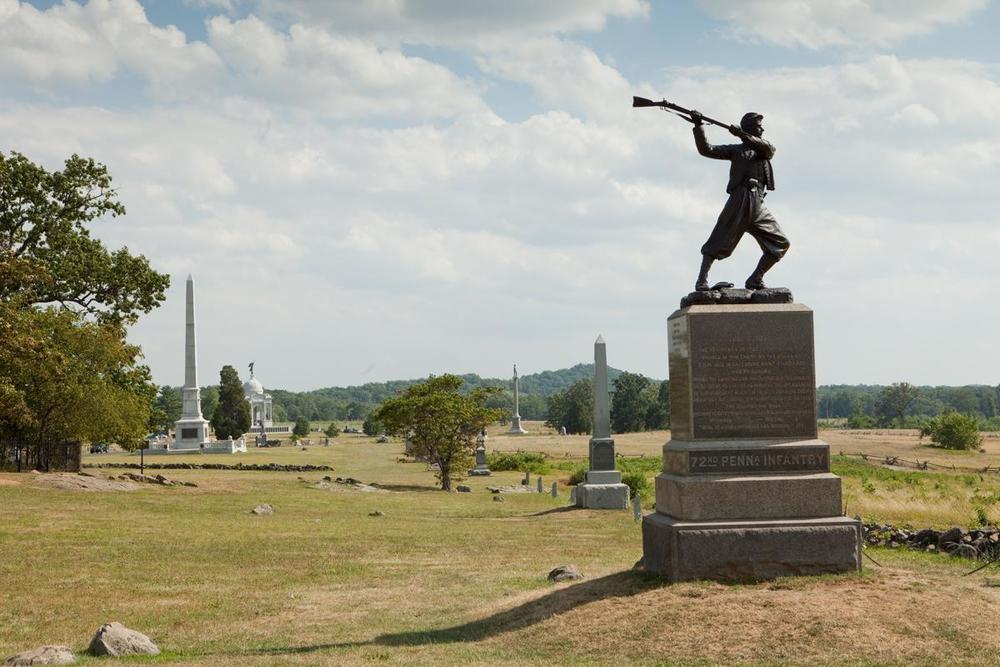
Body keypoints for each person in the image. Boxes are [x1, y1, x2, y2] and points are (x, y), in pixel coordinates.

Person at [687, 109, 789, 291]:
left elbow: (769, 149)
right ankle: (702, 280)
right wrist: (698, 125)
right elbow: (706, 150)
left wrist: (742, 134)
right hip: (741, 197)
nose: (762, 130)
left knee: (780, 243)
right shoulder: (736, 150)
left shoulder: (764, 149)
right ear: (750, 129)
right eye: (758, 127)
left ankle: (755, 280)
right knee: (719, 238)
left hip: (758, 203)